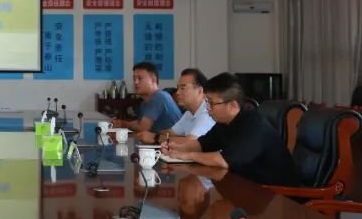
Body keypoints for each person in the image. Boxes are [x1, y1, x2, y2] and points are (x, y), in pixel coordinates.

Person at [161, 73, 300, 187]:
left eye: (211, 103)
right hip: (248, 187)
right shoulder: (224, 122)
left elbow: (223, 161)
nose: (207, 108)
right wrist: (176, 148)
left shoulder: (252, 125)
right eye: (207, 102)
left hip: (278, 196)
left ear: (232, 106)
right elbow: (201, 144)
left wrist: (186, 156)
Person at [137, 68, 214, 144]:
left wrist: (156, 138)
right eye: (178, 88)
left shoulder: (208, 113)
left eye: (183, 88)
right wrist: (150, 135)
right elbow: (170, 132)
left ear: (200, 91)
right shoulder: (189, 113)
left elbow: (191, 142)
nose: (177, 92)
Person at [114, 61, 181, 135]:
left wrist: (125, 124)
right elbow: (139, 122)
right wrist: (121, 123)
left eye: (140, 78)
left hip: (173, 141)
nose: (136, 82)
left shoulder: (159, 97)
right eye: (134, 79)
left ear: (153, 80)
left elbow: (143, 128)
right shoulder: (144, 103)